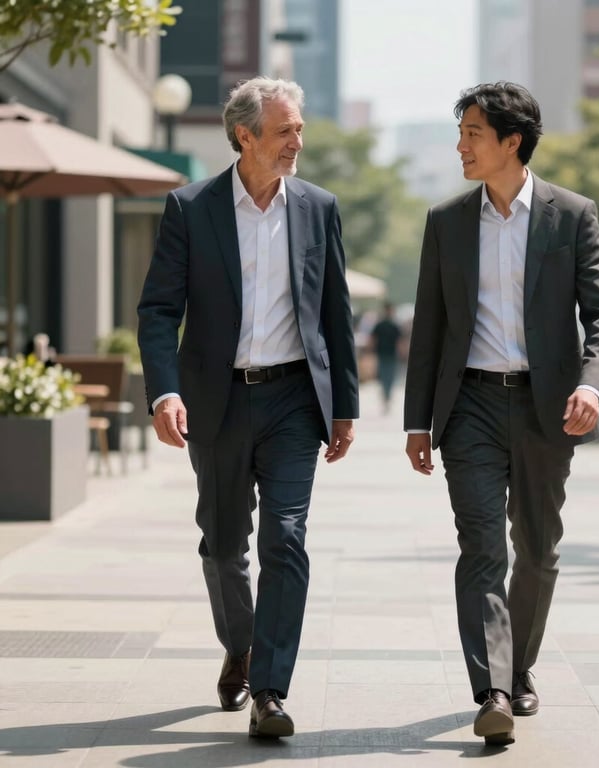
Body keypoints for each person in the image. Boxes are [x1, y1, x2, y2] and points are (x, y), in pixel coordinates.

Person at [137, 76, 359, 740]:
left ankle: (269, 688)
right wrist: (165, 390)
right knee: (224, 544)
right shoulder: (190, 207)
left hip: (295, 398)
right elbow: (158, 311)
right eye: (285, 130)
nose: (298, 141)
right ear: (245, 136)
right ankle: (241, 641)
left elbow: (335, 315)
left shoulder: (319, 208)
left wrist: (343, 406)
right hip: (219, 400)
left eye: (299, 129)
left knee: (286, 539)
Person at [403, 82, 599, 746]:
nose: (461, 145)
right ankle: (493, 688)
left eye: (473, 133)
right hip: (467, 403)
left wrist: (593, 384)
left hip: (545, 407)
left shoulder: (571, 215)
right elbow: (430, 327)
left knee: (536, 550)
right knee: (480, 548)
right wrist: (418, 421)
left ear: (512, 141)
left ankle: (519, 665)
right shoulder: (446, 221)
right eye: (461, 132)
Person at [369, 301, 402, 413]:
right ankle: (386, 396)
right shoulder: (388, 325)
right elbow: (374, 339)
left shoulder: (388, 325)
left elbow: (399, 341)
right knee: (386, 377)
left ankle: (386, 396)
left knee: (387, 377)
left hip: (388, 354)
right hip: (385, 354)